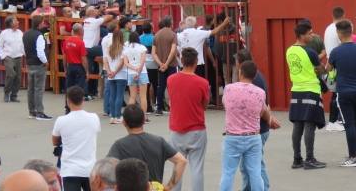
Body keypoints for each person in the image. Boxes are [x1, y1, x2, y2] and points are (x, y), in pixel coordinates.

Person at [326, 20, 356, 167]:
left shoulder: (336, 51)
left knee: (349, 124)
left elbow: (328, 68)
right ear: (351, 31)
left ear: (339, 33)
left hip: (344, 91)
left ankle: (352, 157)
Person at [107, 105, 187, 188]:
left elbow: (106, 169)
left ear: (124, 123)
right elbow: (181, 161)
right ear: (144, 120)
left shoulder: (119, 146)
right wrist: (168, 187)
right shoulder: (159, 141)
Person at [219, 61, 270, 191]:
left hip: (232, 136)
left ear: (240, 72)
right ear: (254, 75)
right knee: (255, 173)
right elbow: (262, 111)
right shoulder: (260, 92)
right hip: (253, 136)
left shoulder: (229, 89)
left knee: (228, 173)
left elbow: (226, 105)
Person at [235, 50, 278, 191]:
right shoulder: (256, 77)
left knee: (255, 164)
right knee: (249, 165)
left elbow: (261, 107)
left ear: (241, 64)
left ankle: (263, 188)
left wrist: (269, 119)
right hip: (256, 128)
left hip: (256, 129)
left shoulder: (253, 81)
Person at [167, 47, 209, 191]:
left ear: (182, 61)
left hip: (177, 129)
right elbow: (204, 105)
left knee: (178, 165)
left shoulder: (171, 79)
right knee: (197, 168)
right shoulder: (203, 83)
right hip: (197, 129)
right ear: (196, 62)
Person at [286, 21, 326, 170]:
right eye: (310, 33)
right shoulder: (310, 52)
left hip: (296, 89)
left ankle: (297, 159)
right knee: (310, 124)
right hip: (311, 89)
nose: (312, 35)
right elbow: (320, 70)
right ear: (302, 35)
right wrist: (323, 56)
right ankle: (310, 158)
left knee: (298, 124)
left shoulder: (289, 50)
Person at [52, 86, 100, 191]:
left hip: (70, 170)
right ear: (83, 100)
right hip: (90, 169)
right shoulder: (94, 117)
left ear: (68, 101)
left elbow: (54, 141)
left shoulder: (61, 120)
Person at [23, 15, 51, 120]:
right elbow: (40, 52)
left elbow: (23, 49)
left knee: (31, 89)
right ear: (40, 24)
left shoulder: (26, 34)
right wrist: (46, 61)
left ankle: (32, 111)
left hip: (29, 63)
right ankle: (40, 112)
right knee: (38, 88)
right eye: (43, 22)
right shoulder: (39, 35)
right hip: (38, 64)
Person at [323, 7, 344, 131]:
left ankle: (334, 120)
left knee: (335, 92)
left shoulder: (328, 29)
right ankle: (333, 121)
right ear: (343, 15)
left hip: (330, 63)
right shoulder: (339, 29)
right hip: (338, 64)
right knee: (337, 93)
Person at [152, 16, 178, 115]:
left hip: (160, 65)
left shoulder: (156, 35)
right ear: (170, 23)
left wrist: (161, 64)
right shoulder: (173, 35)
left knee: (161, 86)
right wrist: (167, 63)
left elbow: (153, 53)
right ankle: (173, 107)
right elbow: (173, 51)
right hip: (171, 64)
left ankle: (159, 108)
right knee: (172, 87)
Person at [0, 15, 24, 103]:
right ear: (10, 23)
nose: (18, 22)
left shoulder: (20, 32)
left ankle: (14, 95)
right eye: (16, 21)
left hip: (19, 57)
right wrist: (3, 56)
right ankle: (6, 93)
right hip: (8, 56)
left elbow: (23, 46)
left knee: (18, 77)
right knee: (11, 74)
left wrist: (24, 54)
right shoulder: (4, 33)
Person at [103, 26, 127, 124]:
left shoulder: (109, 48)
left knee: (112, 95)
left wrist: (109, 71)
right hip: (120, 74)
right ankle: (118, 115)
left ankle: (112, 116)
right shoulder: (123, 48)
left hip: (110, 74)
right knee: (119, 95)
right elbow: (122, 62)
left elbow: (105, 60)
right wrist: (115, 72)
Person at [124, 32, 149, 118]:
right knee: (143, 96)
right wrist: (138, 71)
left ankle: (129, 116)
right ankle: (144, 116)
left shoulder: (126, 49)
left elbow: (126, 63)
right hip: (142, 72)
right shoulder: (142, 48)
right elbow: (142, 61)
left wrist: (134, 69)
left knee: (132, 96)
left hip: (131, 73)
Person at [63, 24, 88, 92]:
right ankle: (77, 102)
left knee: (69, 88)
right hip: (79, 67)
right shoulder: (81, 42)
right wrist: (87, 71)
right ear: (80, 31)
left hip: (70, 66)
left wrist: (65, 69)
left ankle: (68, 102)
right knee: (79, 89)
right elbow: (83, 59)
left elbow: (64, 57)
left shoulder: (66, 41)